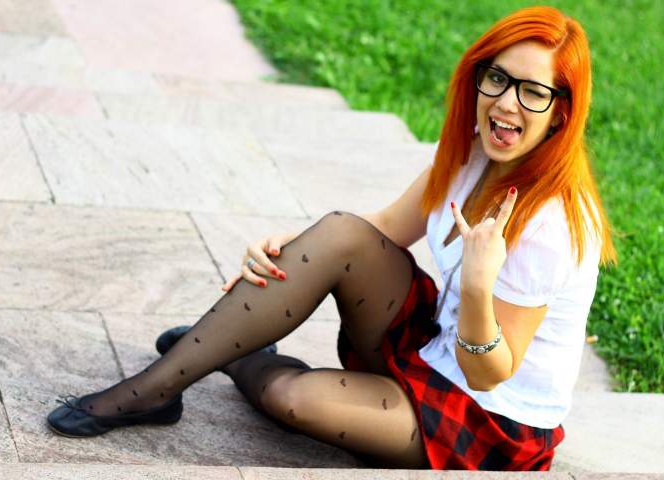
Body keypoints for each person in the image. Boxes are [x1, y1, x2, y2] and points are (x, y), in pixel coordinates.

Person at [46, 5, 616, 471]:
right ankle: (153, 391)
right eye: (498, 78)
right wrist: (295, 247)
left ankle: (239, 359)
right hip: (432, 343)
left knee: (291, 398)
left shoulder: (553, 225)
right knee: (341, 232)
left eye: (533, 92)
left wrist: (476, 284)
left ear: (560, 114)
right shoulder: (474, 151)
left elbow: (487, 372)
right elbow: (382, 229)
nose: (507, 102)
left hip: (487, 418)